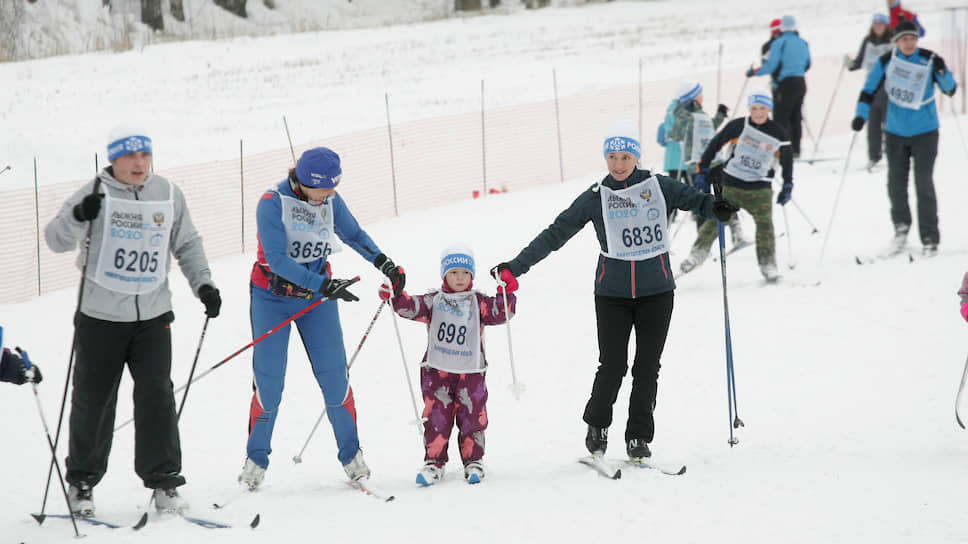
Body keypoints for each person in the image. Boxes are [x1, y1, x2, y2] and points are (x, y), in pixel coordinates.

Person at [490, 119, 737, 461]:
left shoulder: (658, 185)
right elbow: (555, 233)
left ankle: (638, 437)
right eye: (612, 158)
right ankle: (597, 425)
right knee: (613, 365)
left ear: (636, 158)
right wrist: (515, 266)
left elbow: (697, 201)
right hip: (612, 295)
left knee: (647, 367)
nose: (618, 164)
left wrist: (717, 207)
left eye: (625, 157)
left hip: (657, 291)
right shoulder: (596, 197)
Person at [44, 123, 222, 516]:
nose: (140, 163)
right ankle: (83, 483)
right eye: (130, 156)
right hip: (101, 317)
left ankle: (164, 483)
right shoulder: (94, 192)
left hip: (153, 316)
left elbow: (187, 242)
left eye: (145, 155)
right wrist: (77, 215)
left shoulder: (168, 192)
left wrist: (204, 285)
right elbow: (56, 239)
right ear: (114, 159)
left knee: (157, 396)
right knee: (94, 400)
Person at [238, 146, 406, 490]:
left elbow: (353, 234)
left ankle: (352, 456)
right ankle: (256, 460)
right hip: (272, 298)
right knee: (269, 384)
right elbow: (277, 259)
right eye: (324, 189)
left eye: (333, 187)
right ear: (303, 181)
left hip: (317, 299)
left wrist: (384, 263)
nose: (329, 195)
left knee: (334, 377)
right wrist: (323, 285)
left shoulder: (329, 199)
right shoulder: (272, 203)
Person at [379, 243, 516, 486]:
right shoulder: (434, 301)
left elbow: (501, 312)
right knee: (437, 418)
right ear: (444, 275)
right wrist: (395, 295)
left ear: (472, 275)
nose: (460, 278)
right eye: (453, 273)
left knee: (472, 417)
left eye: (465, 273)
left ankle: (473, 461)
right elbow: (410, 307)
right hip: (438, 373)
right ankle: (434, 462)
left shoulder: (479, 302)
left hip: (471, 374)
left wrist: (508, 292)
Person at [851, 20, 957, 257]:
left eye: (912, 39)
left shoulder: (929, 59)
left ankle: (930, 237)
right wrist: (861, 116)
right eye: (903, 39)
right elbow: (868, 90)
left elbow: (950, 89)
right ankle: (901, 229)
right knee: (896, 184)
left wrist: (942, 70)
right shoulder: (887, 61)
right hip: (895, 131)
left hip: (925, 131)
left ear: (916, 40)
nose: (908, 43)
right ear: (896, 41)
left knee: (923, 184)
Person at [680, 89, 793, 283]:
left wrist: (788, 184)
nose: (758, 113)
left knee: (765, 225)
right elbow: (714, 144)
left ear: (769, 110)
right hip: (733, 184)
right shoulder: (738, 126)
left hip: (760, 189)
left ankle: (768, 265)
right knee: (716, 219)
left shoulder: (778, 133)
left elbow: (787, 160)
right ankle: (697, 254)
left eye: (762, 109)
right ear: (749, 109)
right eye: (754, 108)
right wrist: (703, 169)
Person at [668, 80, 748, 245]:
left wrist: (719, 116)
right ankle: (703, 242)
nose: (703, 97)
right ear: (692, 97)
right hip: (697, 166)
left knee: (725, 198)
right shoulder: (682, 113)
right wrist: (683, 111)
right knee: (702, 201)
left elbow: (709, 130)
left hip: (714, 161)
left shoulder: (701, 113)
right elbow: (675, 134)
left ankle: (737, 234)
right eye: (700, 94)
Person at [747, 15, 811, 158]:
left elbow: (770, 65)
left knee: (781, 118)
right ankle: (796, 150)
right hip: (801, 82)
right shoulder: (803, 43)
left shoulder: (779, 43)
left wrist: (754, 72)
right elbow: (808, 64)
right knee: (796, 116)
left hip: (785, 84)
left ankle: (782, 151)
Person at [845, 14, 894, 170]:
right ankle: (874, 156)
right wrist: (850, 64)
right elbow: (860, 61)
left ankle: (893, 153)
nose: (878, 26)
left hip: (890, 86)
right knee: (872, 123)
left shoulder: (893, 40)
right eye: (875, 23)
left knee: (890, 122)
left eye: (881, 24)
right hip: (872, 86)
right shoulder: (868, 41)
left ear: (886, 26)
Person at [761, 18, 783, 99]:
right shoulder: (788, 43)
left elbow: (764, 66)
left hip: (777, 83)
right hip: (783, 83)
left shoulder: (766, 46)